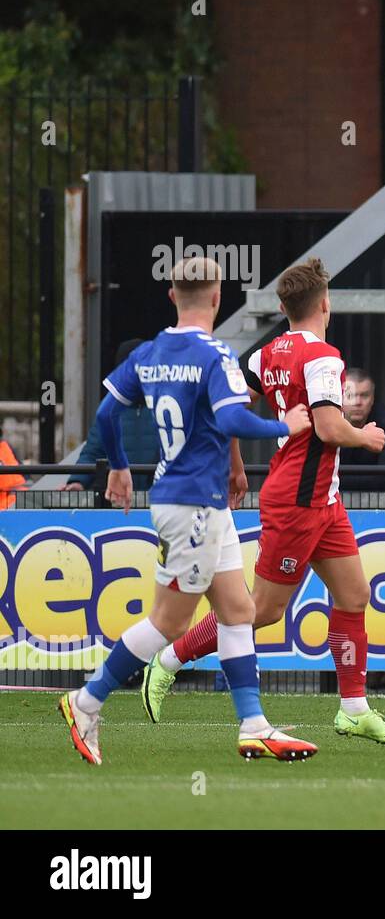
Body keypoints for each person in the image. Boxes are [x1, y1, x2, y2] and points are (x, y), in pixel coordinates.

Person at [58, 257, 317, 766]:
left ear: (172, 296)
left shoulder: (151, 352)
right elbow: (234, 420)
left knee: (238, 611)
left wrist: (117, 466)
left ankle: (253, 725)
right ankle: (85, 702)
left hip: (193, 500)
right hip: (194, 504)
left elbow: (108, 410)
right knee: (168, 624)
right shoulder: (217, 355)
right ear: (218, 296)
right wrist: (287, 425)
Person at [144, 258, 385, 746]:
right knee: (260, 611)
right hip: (296, 501)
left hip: (322, 500)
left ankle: (353, 708)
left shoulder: (265, 354)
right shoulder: (325, 357)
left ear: (284, 307)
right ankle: (168, 660)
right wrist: (367, 436)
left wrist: (236, 465)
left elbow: (228, 412)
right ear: (325, 304)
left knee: (354, 596)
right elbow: (330, 427)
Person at [62, 339, 160, 495]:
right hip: (118, 502)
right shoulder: (110, 410)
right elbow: (92, 453)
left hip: (158, 503)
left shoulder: (165, 406)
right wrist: (77, 482)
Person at [338, 367, 385, 493]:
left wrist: (335, 479)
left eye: (364, 395)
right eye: (350, 395)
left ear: (372, 398)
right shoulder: (328, 425)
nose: (357, 402)